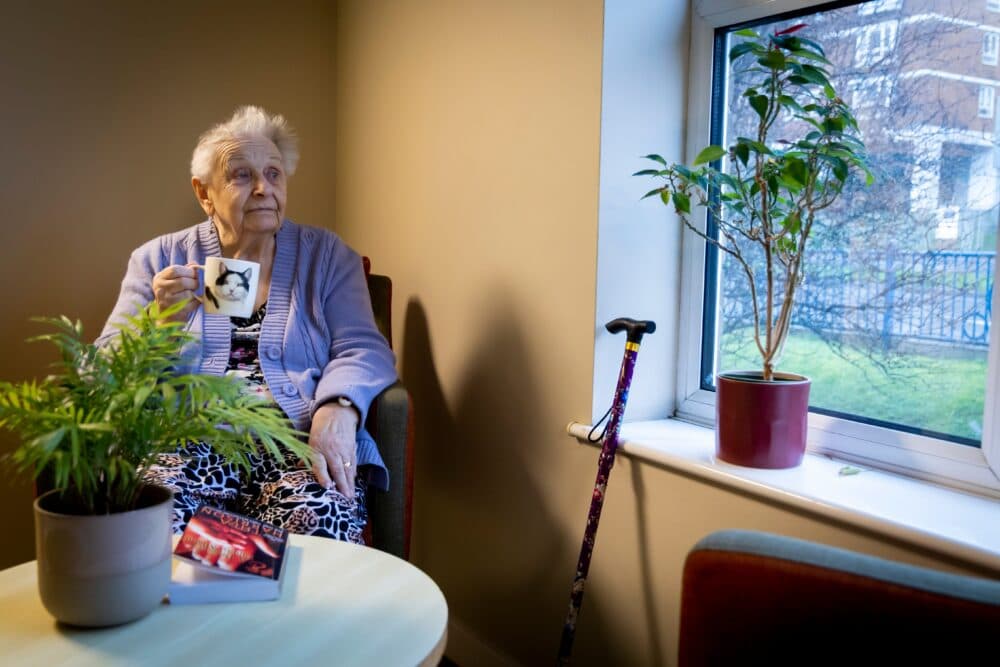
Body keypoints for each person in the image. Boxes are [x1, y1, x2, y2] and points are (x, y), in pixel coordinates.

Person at [97, 105, 398, 544]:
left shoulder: (327, 257)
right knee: (148, 525)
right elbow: (102, 374)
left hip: (294, 441)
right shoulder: (157, 260)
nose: (263, 189)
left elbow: (364, 348)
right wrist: (158, 324)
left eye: (274, 174)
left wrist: (338, 408)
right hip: (185, 443)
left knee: (321, 519)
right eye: (241, 175)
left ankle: (293, 614)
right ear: (205, 194)